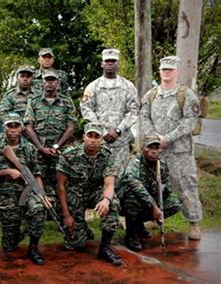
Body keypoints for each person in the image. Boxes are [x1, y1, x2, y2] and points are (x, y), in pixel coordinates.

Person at [141, 55, 202, 240]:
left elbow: (190, 121)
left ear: (177, 72)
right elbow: (144, 117)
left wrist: (168, 138)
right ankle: (156, 218)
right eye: (163, 69)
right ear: (159, 71)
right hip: (156, 151)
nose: (166, 72)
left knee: (186, 186)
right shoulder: (151, 95)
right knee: (156, 186)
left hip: (179, 152)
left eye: (170, 69)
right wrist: (154, 138)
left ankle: (193, 222)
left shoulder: (186, 94)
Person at [0, 113, 46, 265]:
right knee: (9, 246)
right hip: (7, 194)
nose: (12, 129)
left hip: (28, 190)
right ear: (4, 128)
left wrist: (41, 193)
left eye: (16, 126)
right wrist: (7, 172)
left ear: (21, 128)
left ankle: (33, 247)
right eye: (9, 126)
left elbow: (36, 173)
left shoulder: (29, 148)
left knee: (38, 209)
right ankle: (21, 231)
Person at [56, 122, 122, 266]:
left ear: (101, 139)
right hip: (75, 196)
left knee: (113, 203)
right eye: (89, 136)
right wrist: (67, 215)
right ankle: (82, 228)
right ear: (83, 137)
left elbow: (109, 183)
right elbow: (61, 186)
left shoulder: (106, 155)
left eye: (96, 137)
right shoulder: (69, 155)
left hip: (95, 193)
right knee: (76, 244)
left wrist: (106, 200)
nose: (92, 140)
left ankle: (105, 247)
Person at [80, 48, 139, 180]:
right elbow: (86, 109)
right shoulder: (93, 87)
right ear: (102, 64)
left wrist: (118, 130)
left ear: (118, 63)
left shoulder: (128, 86)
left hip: (121, 142)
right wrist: (102, 130)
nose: (110, 64)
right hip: (99, 141)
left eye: (113, 61)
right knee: (96, 177)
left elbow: (133, 110)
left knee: (120, 177)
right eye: (107, 61)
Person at [117, 136, 181, 251]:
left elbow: (168, 186)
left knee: (175, 204)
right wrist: (154, 206)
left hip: (150, 201)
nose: (154, 151)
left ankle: (138, 224)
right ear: (142, 148)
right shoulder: (135, 162)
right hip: (128, 202)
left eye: (157, 148)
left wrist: (162, 191)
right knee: (132, 196)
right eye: (150, 147)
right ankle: (130, 234)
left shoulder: (161, 165)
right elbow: (134, 183)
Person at [24, 70, 76, 209]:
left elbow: (71, 127)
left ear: (58, 83)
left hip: (58, 151)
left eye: (52, 80)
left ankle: (60, 213)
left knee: (59, 181)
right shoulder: (34, 102)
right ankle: (35, 210)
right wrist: (40, 147)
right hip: (37, 150)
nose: (49, 83)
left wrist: (57, 146)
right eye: (47, 80)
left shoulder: (66, 102)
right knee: (36, 180)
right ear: (42, 83)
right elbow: (28, 126)